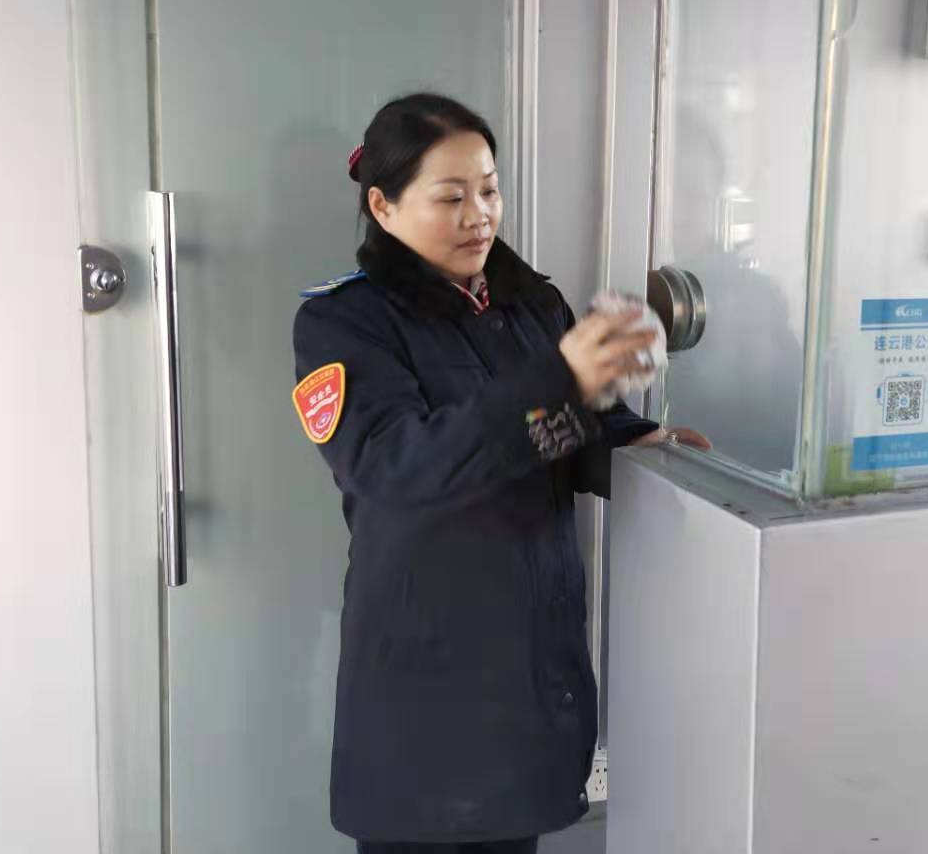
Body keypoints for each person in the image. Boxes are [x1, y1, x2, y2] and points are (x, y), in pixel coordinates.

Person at [292, 93, 708, 854]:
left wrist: (639, 443)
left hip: (526, 672)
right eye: (451, 197)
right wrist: (558, 379)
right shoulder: (344, 323)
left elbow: (562, 430)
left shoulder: (530, 305)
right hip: (422, 693)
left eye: (488, 190)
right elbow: (396, 468)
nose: (479, 215)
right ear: (383, 206)